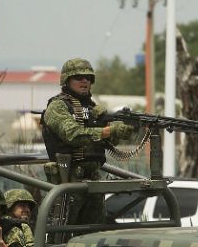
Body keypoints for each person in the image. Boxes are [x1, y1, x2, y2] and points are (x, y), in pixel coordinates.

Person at [40, 57, 137, 226]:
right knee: (60, 235)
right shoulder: (58, 106)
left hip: (93, 181)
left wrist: (123, 131)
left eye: (88, 77)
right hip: (68, 179)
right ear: (67, 80)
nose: (84, 80)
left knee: (94, 234)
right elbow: (73, 134)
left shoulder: (93, 108)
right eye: (79, 77)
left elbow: (108, 141)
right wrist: (109, 131)